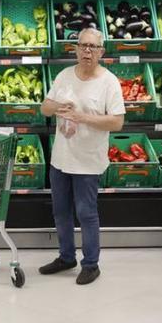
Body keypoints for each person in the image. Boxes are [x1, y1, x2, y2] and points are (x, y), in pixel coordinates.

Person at [38, 28, 125, 285]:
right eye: (83, 46)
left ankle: (91, 264)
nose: (87, 51)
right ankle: (66, 257)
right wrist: (58, 107)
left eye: (93, 47)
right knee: (61, 211)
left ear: (101, 52)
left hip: (88, 160)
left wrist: (83, 117)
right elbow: (44, 107)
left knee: (86, 213)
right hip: (61, 158)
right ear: (75, 49)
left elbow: (117, 122)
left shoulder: (109, 82)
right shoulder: (65, 76)